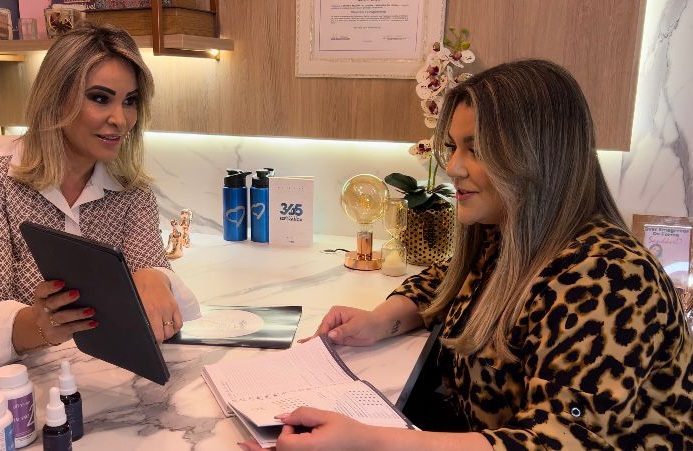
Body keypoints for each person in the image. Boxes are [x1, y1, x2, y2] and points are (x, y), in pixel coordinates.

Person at [242, 60, 693, 450]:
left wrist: (370, 442)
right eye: (454, 147)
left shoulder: (609, 276)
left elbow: (558, 440)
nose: (454, 167)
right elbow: (446, 281)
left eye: (477, 150)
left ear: (540, 157)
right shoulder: (511, 235)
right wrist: (381, 320)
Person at [0, 23, 198, 384]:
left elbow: (149, 273)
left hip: (73, 374)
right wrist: (40, 324)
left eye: (130, 101)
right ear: (56, 98)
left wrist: (156, 277)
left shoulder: (131, 191)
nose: (120, 119)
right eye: (100, 98)